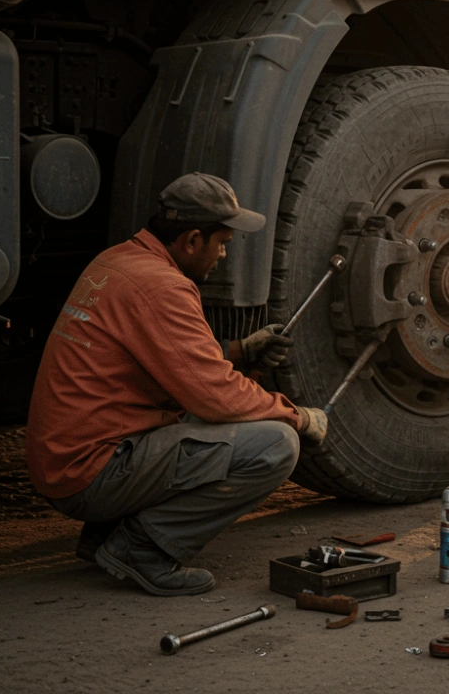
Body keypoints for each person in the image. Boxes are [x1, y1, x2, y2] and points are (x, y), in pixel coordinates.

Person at [26, 173, 328, 596]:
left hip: (66, 460)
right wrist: (297, 417)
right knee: (276, 445)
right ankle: (141, 548)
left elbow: (162, 357)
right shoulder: (163, 287)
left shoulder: (118, 261)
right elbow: (214, 397)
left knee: (193, 420)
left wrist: (241, 350)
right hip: (90, 472)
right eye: (221, 242)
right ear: (191, 240)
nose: (223, 254)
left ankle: (106, 533)